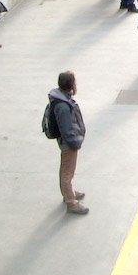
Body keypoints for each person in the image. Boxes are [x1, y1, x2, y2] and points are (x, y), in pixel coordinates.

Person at [48, 71, 89, 214]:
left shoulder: (61, 99)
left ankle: (68, 192)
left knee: (66, 169)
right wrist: (74, 142)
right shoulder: (63, 107)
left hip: (67, 142)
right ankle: (71, 202)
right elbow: (66, 129)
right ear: (70, 84)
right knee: (67, 172)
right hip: (69, 143)